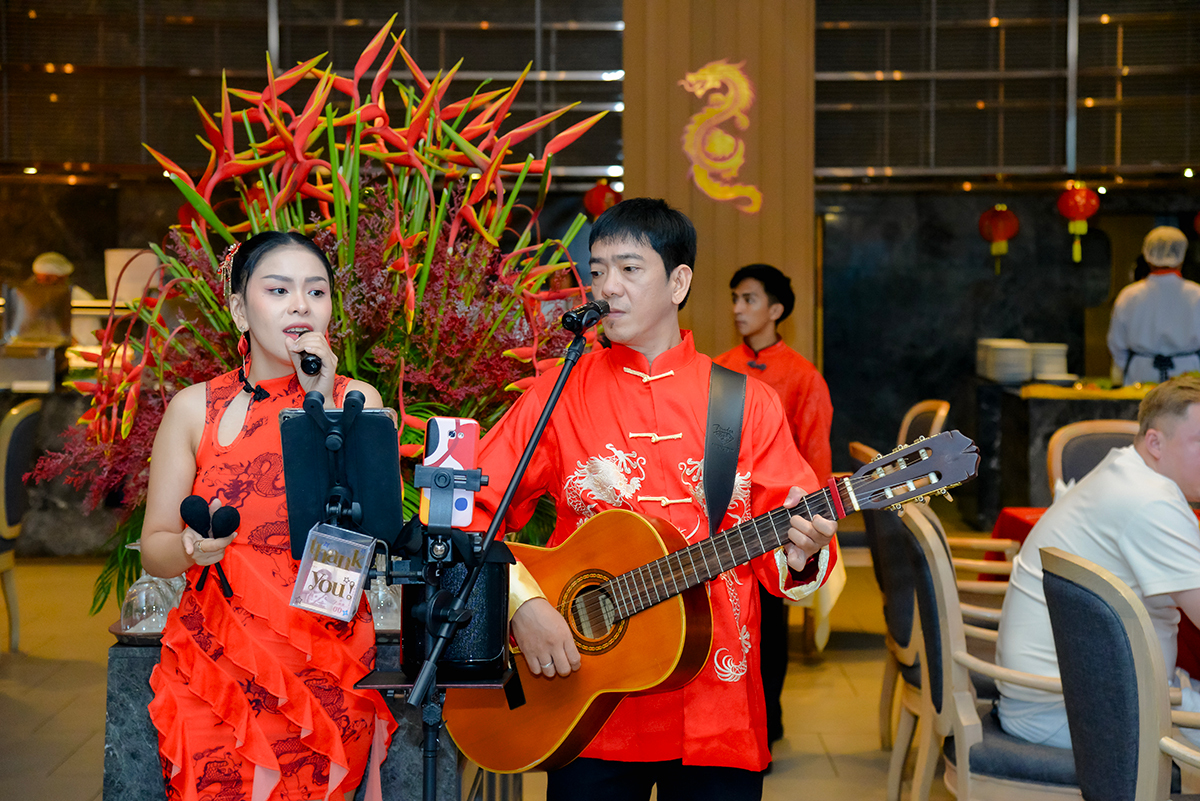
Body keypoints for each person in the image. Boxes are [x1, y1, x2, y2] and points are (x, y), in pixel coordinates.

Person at [470, 198, 838, 800]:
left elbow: (783, 560)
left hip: (715, 698)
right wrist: (521, 606)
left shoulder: (747, 403)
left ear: (679, 281)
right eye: (596, 270)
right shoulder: (558, 392)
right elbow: (471, 513)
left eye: (630, 269)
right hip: (588, 700)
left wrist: (802, 550)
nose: (607, 287)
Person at [140, 231, 395, 801]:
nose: (300, 305)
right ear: (239, 308)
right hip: (214, 666)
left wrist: (322, 403)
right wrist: (190, 548)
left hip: (324, 660)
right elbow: (155, 547)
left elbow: (363, 542)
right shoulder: (192, 408)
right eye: (278, 290)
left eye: (316, 291)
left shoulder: (360, 404)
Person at [995, 375, 1200, 749]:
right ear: (1155, 442)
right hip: (1073, 711)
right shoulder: (1152, 501)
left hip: (1064, 694)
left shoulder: (1124, 468)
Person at [713, 263, 835, 748]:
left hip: (773, 528)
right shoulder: (717, 369)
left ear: (776, 310)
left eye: (749, 299)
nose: (738, 309)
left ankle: (767, 724)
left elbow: (817, 461)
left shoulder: (803, 377)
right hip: (719, 528)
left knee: (771, 630)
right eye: (735, 299)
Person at [1108, 225, 1200, 385]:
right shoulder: (1196, 293)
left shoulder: (1129, 295)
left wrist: (1118, 373)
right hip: (1188, 375)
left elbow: (1117, 345)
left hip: (1140, 374)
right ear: (1182, 256)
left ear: (1147, 255)